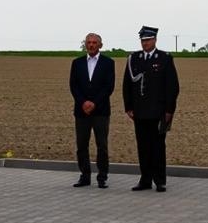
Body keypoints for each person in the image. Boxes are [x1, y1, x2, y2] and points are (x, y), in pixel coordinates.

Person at [124, 26, 178, 192]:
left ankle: (160, 180)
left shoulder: (164, 58)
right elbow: (127, 85)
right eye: (143, 40)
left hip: (158, 111)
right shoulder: (134, 58)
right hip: (139, 112)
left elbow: (172, 87)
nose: (145, 43)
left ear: (154, 40)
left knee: (158, 147)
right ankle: (145, 179)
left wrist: (169, 110)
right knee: (143, 146)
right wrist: (129, 107)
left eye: (148, 40)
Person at [69, 32, 114, 188]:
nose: (91, 45)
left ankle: (102, 177)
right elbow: (73, 86)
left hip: (100, 111)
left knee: (102, 145)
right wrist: (83, 103)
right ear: (85, 45)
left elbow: (109, 87)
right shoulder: (77, 63)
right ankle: (85, 175)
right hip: (81, 112)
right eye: (88, 42)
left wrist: (94, 103)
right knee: (82, 145)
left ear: (100, 45)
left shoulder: (108, 63)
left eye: (95, 42)